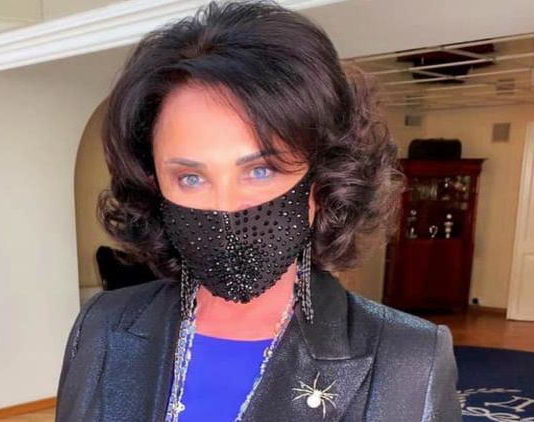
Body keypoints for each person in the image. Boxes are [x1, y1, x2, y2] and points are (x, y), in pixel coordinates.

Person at [56, 1, 462, 421]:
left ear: (323, 178)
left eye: (260, 170)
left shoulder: (409, 360)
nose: (225, 207)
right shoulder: (102, 326)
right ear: (153, 185)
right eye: (191, 178)